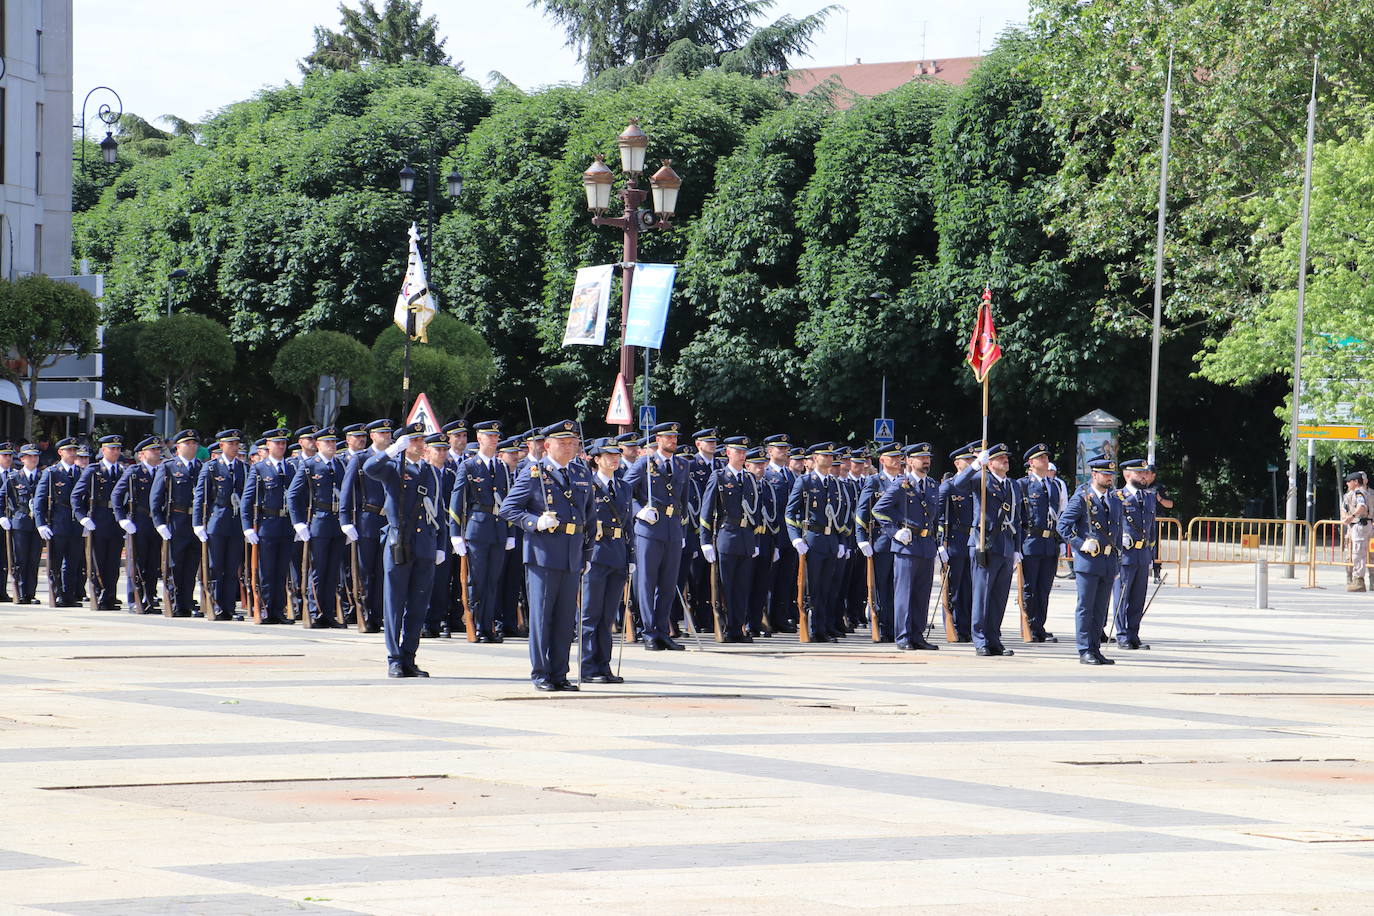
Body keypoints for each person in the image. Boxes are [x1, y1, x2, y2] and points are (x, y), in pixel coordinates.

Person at [499, 419, 593, 690]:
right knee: (542, 617)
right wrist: (535, 522)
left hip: (571, 554)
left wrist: (587, 553)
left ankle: (560, 673)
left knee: (565, 619)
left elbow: (589, 517)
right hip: (543, 554)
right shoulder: (533, 473)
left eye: (573, 442)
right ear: (547, 445)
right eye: (563, 442)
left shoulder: (581, 472)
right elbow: (509, 509)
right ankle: (541, 673)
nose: (569, 446)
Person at [361, 422, 443, 676]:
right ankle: (394, 659)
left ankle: (409, 657)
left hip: (425, 546)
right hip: (400, 544)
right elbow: (369, 468)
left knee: (418, 605)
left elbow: (438, 510)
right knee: (395, 604)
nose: (420, 445)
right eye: (415, 441)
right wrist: (392, 450)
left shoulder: (431, 472)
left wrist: (440, 545)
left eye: (421, 441)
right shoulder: (393, 469)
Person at [623, 421, 690, 651]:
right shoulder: (645, 462)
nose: (673, 441)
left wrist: (682, 530)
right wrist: (639, 511)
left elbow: (684, 499)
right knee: (647, 582)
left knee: (668, 584)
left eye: (675, 437)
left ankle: (663, 631)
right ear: (658, 440)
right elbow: (624, 492)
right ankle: (648, 631)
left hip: (672, 529)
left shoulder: (682, 464)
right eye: (668, 437)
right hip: (649, 528)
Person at [948, 442, 1019, 657]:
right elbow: (957, 485)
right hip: (984, 542)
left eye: (1006, 457)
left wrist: (1017, 548)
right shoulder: (981, 480)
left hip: (1006, 545)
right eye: (1000, 457)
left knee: (999, 596)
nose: (1005, 460)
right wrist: (976, 465)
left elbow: (1020, 519)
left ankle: (994, 638)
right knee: (982, 595)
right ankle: (980, 640)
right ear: (991, 462)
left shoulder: (1013, 485)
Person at [450, 419, 514, 642]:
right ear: (479, 439)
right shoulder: (468, 466)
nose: (494, 440)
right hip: (477, 529)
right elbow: (457, 500)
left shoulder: (502, 466)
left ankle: (487, 627)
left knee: (492, 580)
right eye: (490, 436)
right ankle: (475, 624)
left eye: (496, 437)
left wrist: (511, 533)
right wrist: (455, 533)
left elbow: (508, 501)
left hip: (498, 529)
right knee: (476, 580)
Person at [1057, 457, 1124, 665]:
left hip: (1107, 560)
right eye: (1105, 475)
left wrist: (1118, 558)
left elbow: (1118, 531)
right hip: (1089, 560)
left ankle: (1095, 648)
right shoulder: (1082, 499)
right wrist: (1079, 543)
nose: (1109, 479)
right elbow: (1063, 526)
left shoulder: (1113, 499)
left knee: (1100, 609)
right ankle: (1085, 649)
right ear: (1094, 475)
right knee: (1086, 607)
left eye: (1111, 475)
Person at [785, 442, 848, 642]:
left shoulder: (835, 483)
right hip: (811, 539)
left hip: (830, 541)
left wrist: (840, 541)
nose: (829, 459)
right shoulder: (805, 481)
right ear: (814, 459)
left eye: (831, 457)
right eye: (825, 456)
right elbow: (790, 512)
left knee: (826, 588)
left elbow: (841, 516)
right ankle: (812, 628)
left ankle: (821, 628)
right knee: (811, 588)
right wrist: (796, 538)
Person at [699, 435, 759, 642]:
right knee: (726, 586)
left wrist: (756, 540)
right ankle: (724, 626)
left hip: (745, 538)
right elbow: (706, 511)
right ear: (727, 453)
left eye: (744, 452)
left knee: (742, 587)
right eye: (738, 452)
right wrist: (705, 541)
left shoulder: (749, 478)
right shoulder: (719, 476)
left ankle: (737, 628)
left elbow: (755, 513)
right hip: (727, 536)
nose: (742, 456)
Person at [580, 437, 631, 682]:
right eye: (608, 455)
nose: (614, 459)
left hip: (618, 553)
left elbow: (628, 524)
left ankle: (604, 665)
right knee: (591, 614)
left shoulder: (624, 487)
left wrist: (630, 556)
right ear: (596, 459)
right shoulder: (587, 486)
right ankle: (588, 667)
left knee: (608, 615)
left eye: (617, 455)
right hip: (596, 553)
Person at [287, 426, 348, 628]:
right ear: (318, 444)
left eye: (333, 441)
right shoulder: (309, 466)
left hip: (337, 522)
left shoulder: (340, 465)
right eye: (327, 442)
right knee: (318, 570)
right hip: (319, 521)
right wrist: (298, 523)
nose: (331, 445)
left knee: (333, 572)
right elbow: (293, 495)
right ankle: (315, 611)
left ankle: (329, 614)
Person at [338, 419, 393, 632]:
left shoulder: (394, 458)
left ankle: (381, 614)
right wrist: (345, 521)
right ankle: (367, 614)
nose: (387, 437)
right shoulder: (361, 459)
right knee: (366, 572)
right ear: (373, 436)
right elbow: (346, 490)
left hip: (389, 521)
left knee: (385, 571)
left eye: (388, 433)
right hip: (368, 521)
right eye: (382, 433)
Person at [192, 430, 248, 621]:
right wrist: (198, 523)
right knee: (216, 567)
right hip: (217, 521)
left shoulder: (244, 468)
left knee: (232, 568)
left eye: (236, 444)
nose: (234, 447)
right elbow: (201, 496)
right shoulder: (211, 467)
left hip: (236, 522)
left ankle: (229, 608)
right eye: (230, 444)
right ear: (222, 446)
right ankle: (215, 606)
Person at [242, 429, 296, 625]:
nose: (281, 446)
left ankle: (278, 610)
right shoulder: (259, 469)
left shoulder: (291, 468)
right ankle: (264, 609)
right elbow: (247, 500)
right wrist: (247, 527)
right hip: (266, 524)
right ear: (268, 445)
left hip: (286, 525)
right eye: (277, 443)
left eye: (283, 443)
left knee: (281, 571)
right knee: (266, 571)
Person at [150, 430, 203, 617]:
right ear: (178, 447)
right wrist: (159, 523)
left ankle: (187, 602)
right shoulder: (168, 467)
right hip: (175, 521)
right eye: (188, 443)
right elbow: (156, 497)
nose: (192, 446)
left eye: (195, 443)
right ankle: (174, 603)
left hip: (195, 522)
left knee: (191, 565)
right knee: (175, 565)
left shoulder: (201, 467)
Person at [72, 434, 127, 610]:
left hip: (116, 521)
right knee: (98, 562)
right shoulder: (93, 470)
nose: (116, 452)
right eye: (113, 448)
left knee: (113, 562)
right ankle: (98, 595)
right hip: (98, 519)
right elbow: (76, 496)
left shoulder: (122, 471)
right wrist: (83, 517)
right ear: (103, 450)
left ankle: (110, 596)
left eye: (118, 448)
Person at [856, 442, 903, 642]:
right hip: (882, 540)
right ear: (882, 460)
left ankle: (898, 626)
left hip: (903, 541)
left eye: (899, 457)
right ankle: (884, 627)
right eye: (892, 457)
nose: (897, 460)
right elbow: (862, 511)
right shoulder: (875, 481)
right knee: (882, 586)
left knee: (899, 586)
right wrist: (861, 539)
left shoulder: (905, 481)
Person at [1017, 443, 1063, 643]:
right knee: (1030, 587)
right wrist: (1016, 545)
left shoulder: (1054, 485)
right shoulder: (1022, 485)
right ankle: (1029, 625)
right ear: (1031, 463)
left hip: (1049, 542)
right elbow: (1017, 516)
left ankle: (1039, 625)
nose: (1045, 461)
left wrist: (1060, 540)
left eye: (1046, 458)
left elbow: (1059, 515)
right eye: (1041, 458)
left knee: (1044, 587)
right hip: (1031, 541)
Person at [34, 437, 86, 606]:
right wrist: (40, 523)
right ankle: (57, 593)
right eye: (69, 450)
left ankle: (68, 595)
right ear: (60, 452)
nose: (72, 453)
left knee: (73, 561)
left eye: (74, 450)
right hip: (58, 522)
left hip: (76, 523)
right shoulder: (51, 472)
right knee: (56, 562)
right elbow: (39, 500)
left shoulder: (80, 473)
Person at [113, 437, 163, 613]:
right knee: (136, 563)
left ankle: (149, 598)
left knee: (153, 563)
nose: (157, 452)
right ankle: (134, 599)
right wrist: (122, 519)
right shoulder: (134, 472)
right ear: (142, 455)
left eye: (158, 449)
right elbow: (116, 496)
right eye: (153, 450)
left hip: (156, 523)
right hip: (138, 521)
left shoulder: (162, 471)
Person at [1113, 458, 1156, 649]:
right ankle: (1122, 635)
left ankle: (1133, 634)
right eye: (1139, 472)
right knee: (1123, 596)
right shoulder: (1117, 497)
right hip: (1125, 554)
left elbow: (1152, 528)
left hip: (1142, 553)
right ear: (1127, 474)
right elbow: (1110, 524)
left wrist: (1152, 554)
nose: (1144, 476)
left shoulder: (1148, 497)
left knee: (1138, 597)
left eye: (1145, 472)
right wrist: (1119, 537)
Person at [419, 433, 457, 637]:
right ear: (427, 451)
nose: (442, 453)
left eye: (444, 449)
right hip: (425, 530)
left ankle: (437, 620)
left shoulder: (452, 474)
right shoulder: (423, 472)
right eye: (438, 449)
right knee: (424, 580)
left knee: (443, 580)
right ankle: (423, 620)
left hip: (446, 531)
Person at [762, 434, 798, 633]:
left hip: (789, 535)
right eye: (779, 448)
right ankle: (764, 617)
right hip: (772, 533)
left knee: (786, 580)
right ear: (770, 452)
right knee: (768, 580)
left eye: (786, 448)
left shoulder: (791, 474)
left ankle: (780, 617)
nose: (784, 452)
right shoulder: (766, 474)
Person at [1, 444, 43, 604]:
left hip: (37, 524)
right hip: (20, 522)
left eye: (36, 456)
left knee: (33, 560)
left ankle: (30, 593)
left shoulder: (43, 476)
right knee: (20, 560)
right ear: (22, 459)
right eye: (30, 456)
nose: (33, 459)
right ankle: (19, 592)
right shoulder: (13, 477)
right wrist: (2, 517)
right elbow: (1, 498)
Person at [743, 447, 777, 637]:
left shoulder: (767, 487)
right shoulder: (745, 484)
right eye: (756, 464)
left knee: (761, 585)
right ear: (748, 465)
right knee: (746, 583)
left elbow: (775, 516)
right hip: (748, 539)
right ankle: (745, 622)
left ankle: (756, 622)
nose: (761, 468)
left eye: (762, 464)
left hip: (765, 539)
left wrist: (776, 543)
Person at [1341, 471, 1371, 592]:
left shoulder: (1359, 493)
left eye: (1349, 481)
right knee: (1360, 553)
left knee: (1358, 554)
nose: (1347, 484)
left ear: (1355, 482)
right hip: (1363, 524)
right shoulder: (1362, 492)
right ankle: (1358, 580)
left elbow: (1361, 507)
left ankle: (1359, 581)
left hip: (1360, 524)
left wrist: (1351, 517)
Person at [0, 442, 12, 602]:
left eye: (10, 455)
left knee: (5, 560)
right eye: (4, 455)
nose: (8, 458)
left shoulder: (15, 475)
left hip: (10, 523)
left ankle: (2, 591)